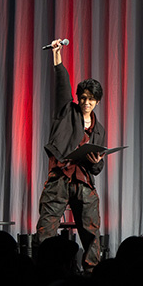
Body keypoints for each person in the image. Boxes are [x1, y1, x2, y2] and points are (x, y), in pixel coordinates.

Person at [34, 39, 106, 272]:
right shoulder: (66, 111)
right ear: (78, 97)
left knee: (91, 230)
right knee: (47, 228)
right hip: (60, 178)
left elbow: (98, 168)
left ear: (97, 102)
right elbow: (62, 84)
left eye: (91, 99)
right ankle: (46, 270)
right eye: (83, 97)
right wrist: (57, 56)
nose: (86, 102)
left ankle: (92, 272)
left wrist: (96, 162)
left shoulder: (99, 129)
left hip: (83, 182)